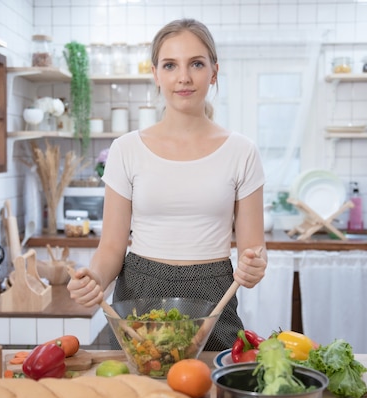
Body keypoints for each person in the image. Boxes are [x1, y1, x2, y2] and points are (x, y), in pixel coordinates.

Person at [67, 18, 267, 350]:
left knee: (212, 397)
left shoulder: (242, 152)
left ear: (214, 72)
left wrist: (254, 268)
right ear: (156, 73)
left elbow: (253, 252)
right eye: (171, 65)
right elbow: (112, 248)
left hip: (213, 294)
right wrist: (95, 281)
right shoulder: (126, 149)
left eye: (197, 64)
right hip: (139, 293)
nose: (184, 77)